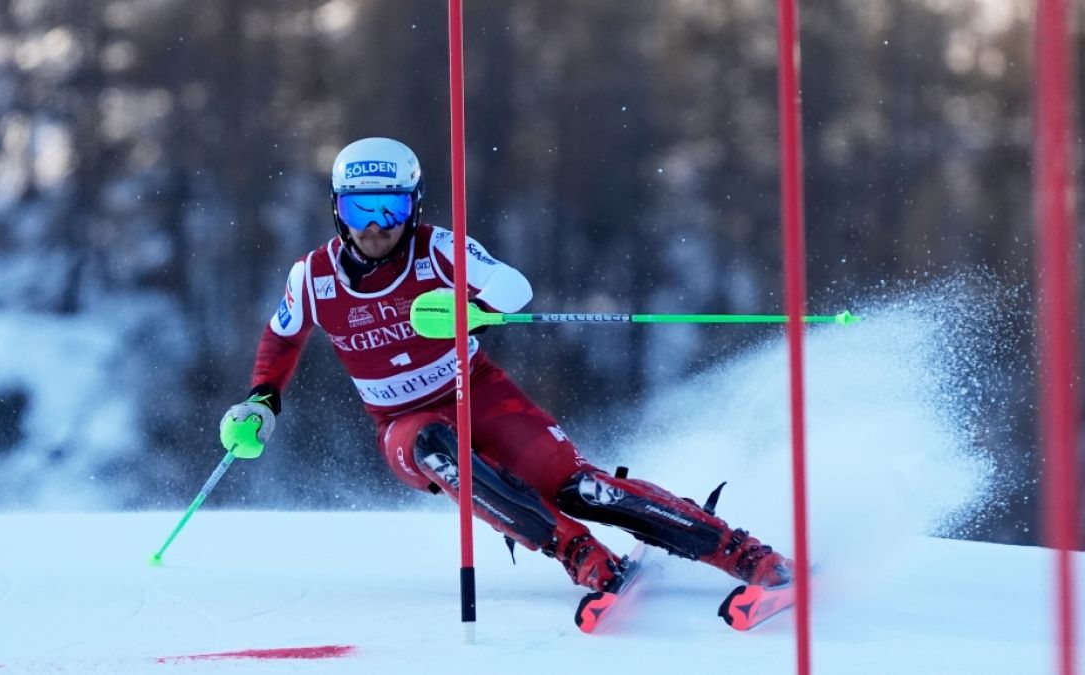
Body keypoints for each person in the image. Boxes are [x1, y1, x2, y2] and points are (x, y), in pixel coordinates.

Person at [219, 137, 793, 593]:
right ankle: (578, 552)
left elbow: (513, 285)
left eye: (389, 207)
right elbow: (281, 336)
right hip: (401, 424)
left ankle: (740, 553)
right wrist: (262, 399)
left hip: (479, 392)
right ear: (337, 211)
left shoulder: (437, 247)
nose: (375, 225)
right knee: (436, 448)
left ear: (412, 204)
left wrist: (473, 311)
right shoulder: (313, 276)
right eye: (358, 208)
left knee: (578, 488)